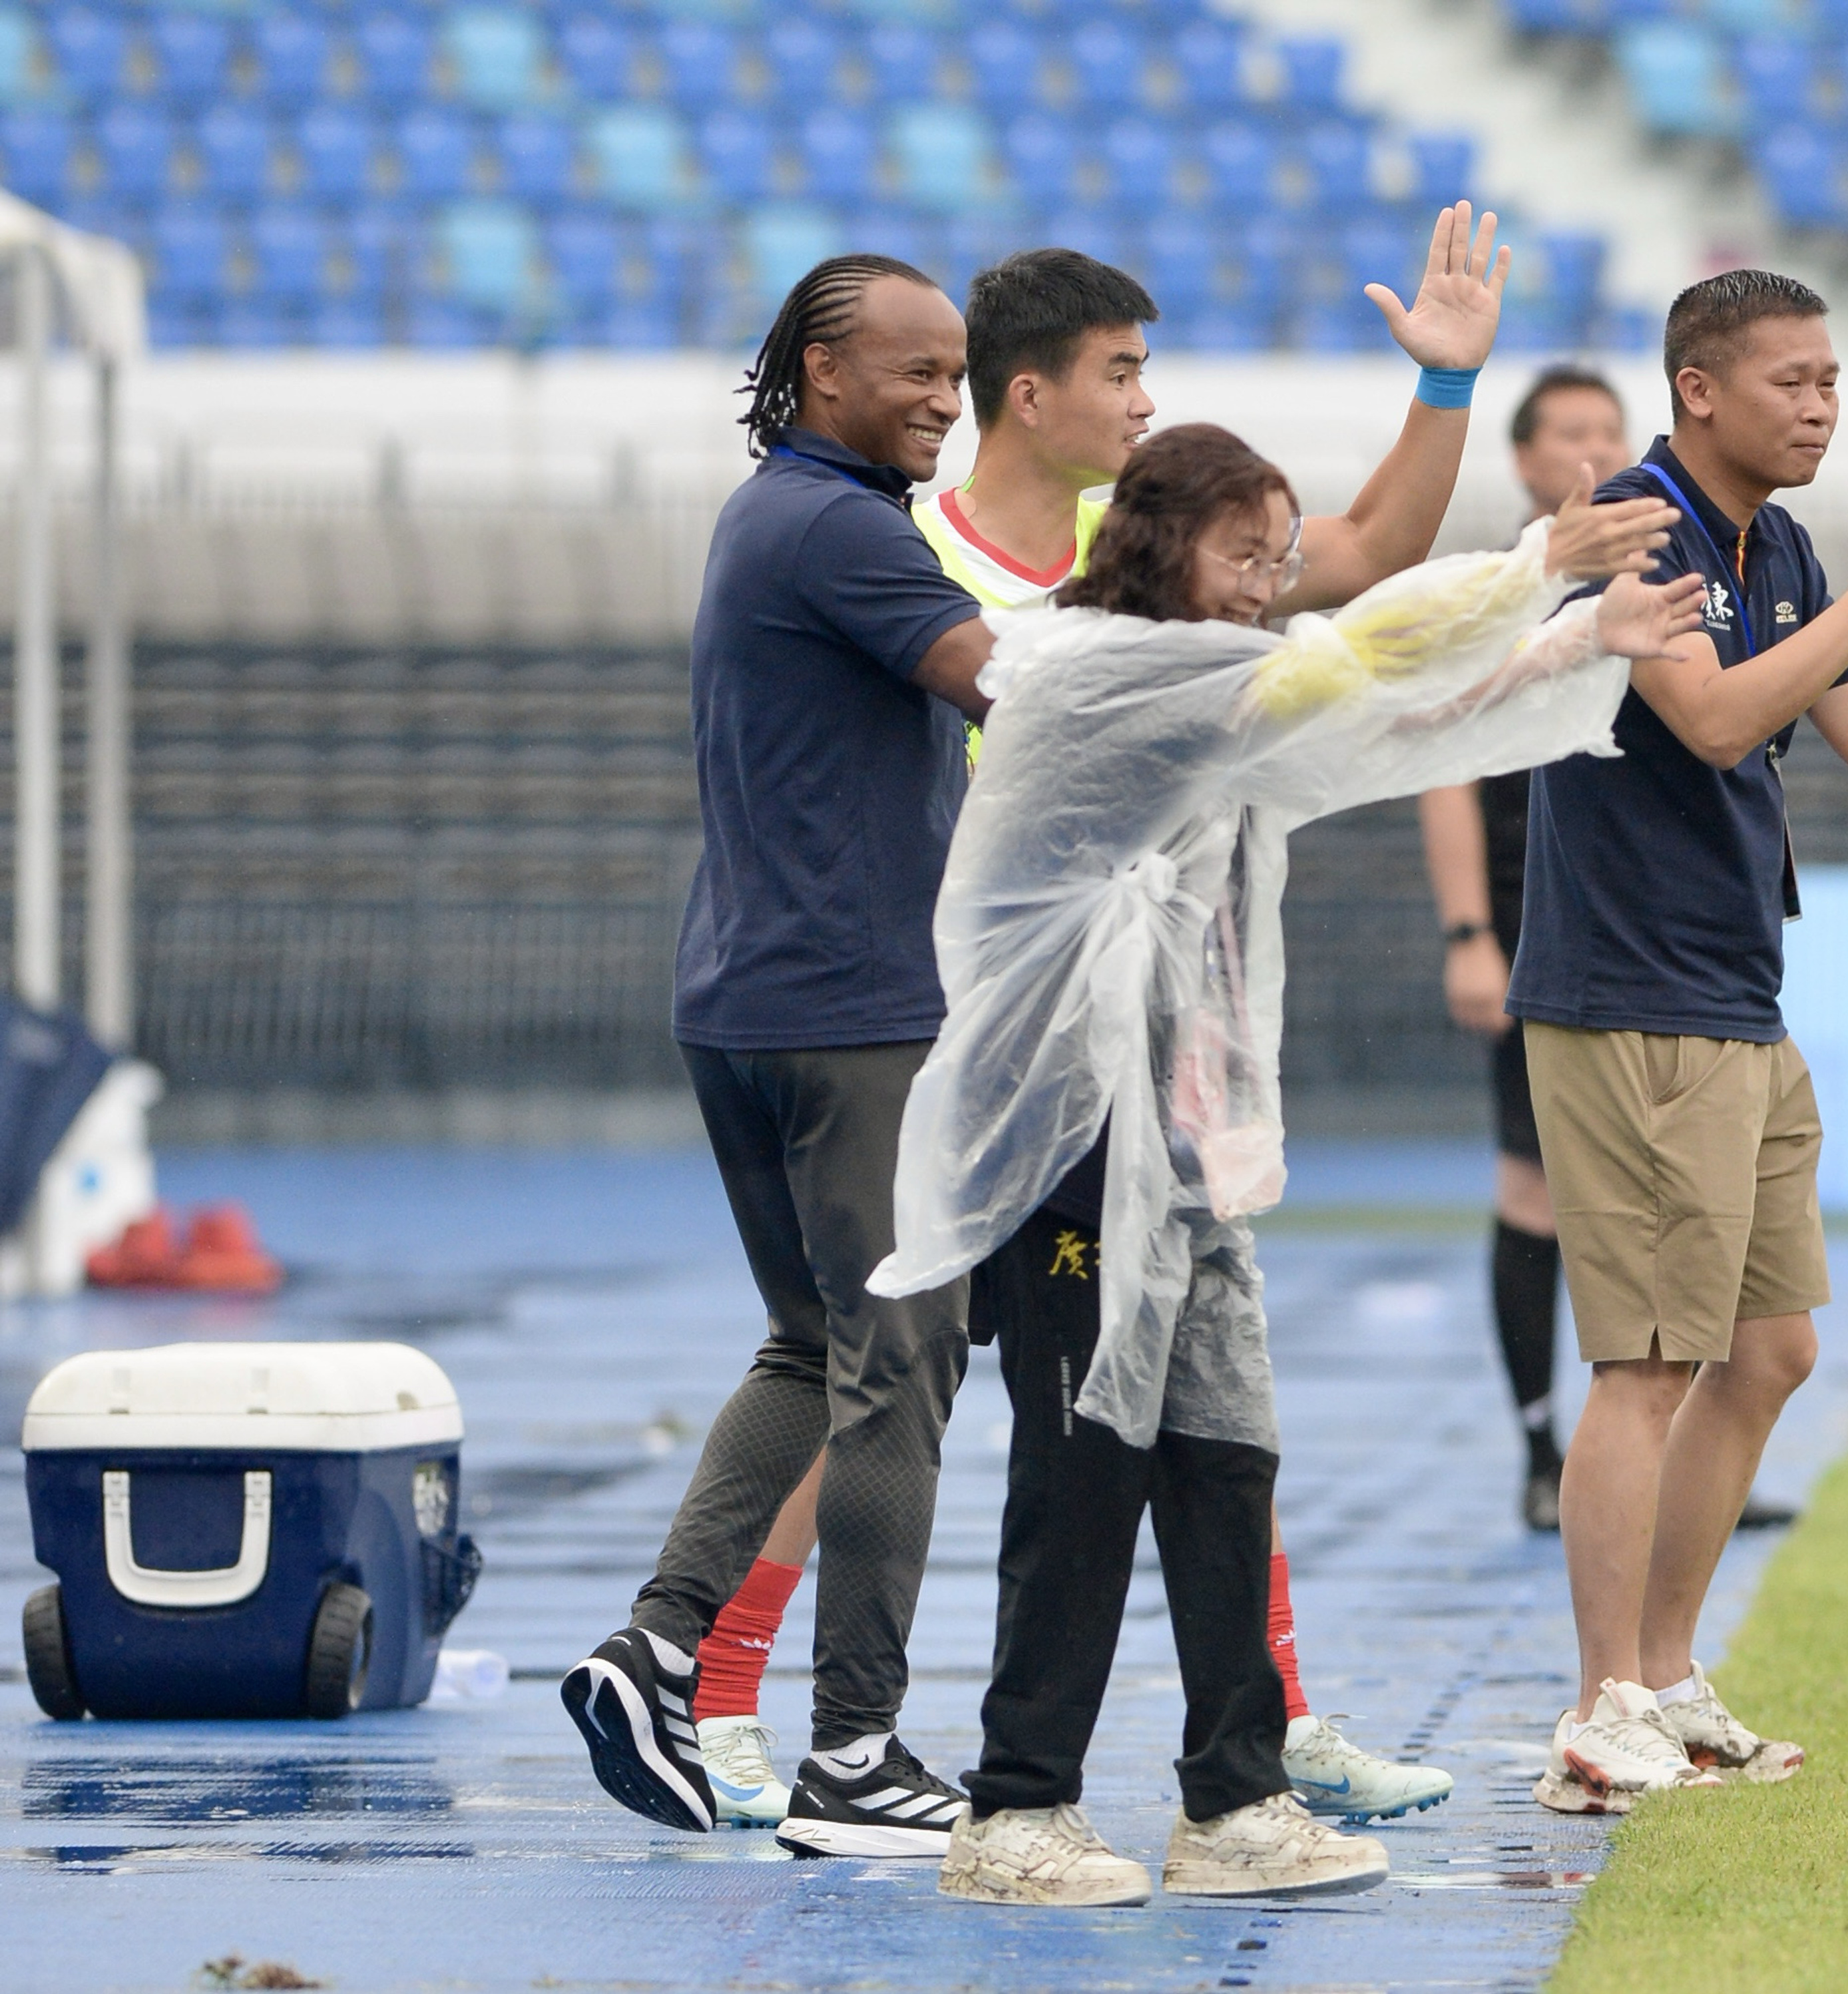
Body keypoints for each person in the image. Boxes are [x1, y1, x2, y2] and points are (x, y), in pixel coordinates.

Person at [677, 214, 1520, 1832]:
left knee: (1190, 1348)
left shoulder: (1121, 537)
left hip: (1128, 1032)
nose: (1146, 401)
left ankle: (1266, 1709)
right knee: (887, 1367)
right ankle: (732, 1698)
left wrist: (1449, 381)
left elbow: (1355, 554)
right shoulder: (898, 551)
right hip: (960, 1031)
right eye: (1122, 372)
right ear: (1021, 393)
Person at [865, 423, 1700, 1907]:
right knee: (1081, 1472)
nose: (1266, 584)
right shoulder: (1093, 669)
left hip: (1179, 1150)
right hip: (1072, 1144)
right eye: (1241, 555)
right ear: (1154, 545)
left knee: (1222, 1464)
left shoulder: (1218, 693)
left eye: (1278, 558)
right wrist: (1535, 569)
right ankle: (1015, 1809)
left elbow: (1391, 726)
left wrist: (1577, 634)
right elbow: (1349, 671)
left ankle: (1234, 1796)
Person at [1508, 270, 1848, 1814]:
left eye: (1834, 380)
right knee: (1650, 1362)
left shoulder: (1775, 540)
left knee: (1772, 1348)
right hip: (1630, 995)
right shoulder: (1633, 527)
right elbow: (1713, 720)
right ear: (1699, 389)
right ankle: (1604, 1705)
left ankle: (1666, 1672)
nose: (1823, 405)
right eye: (1792, 379)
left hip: (1734, 989)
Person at [557, 254, 1001, 1856]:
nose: (944, 399)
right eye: (917, 372)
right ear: (822, 375)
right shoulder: (839, 528)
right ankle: (855, 1753)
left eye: (957, 373)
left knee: (814, 1346)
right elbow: (1007, 690)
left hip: (745, 996)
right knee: (901, 1368)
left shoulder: (782, 516)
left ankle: (659, 1646)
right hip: (853, 1013)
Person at [1416, 363, 1626, 1533]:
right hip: (1532, 917)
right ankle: (1547, 1453)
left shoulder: (1666, 570)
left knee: (1648, 1201)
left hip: (1638, 923)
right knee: (1537, 1190)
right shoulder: (1492, 590)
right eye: (1571, 431)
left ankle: (1639, 1462)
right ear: (1526, 460)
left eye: (1612, 425)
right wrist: (1469, 937)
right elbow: (1442, 773)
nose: (1596, 446)